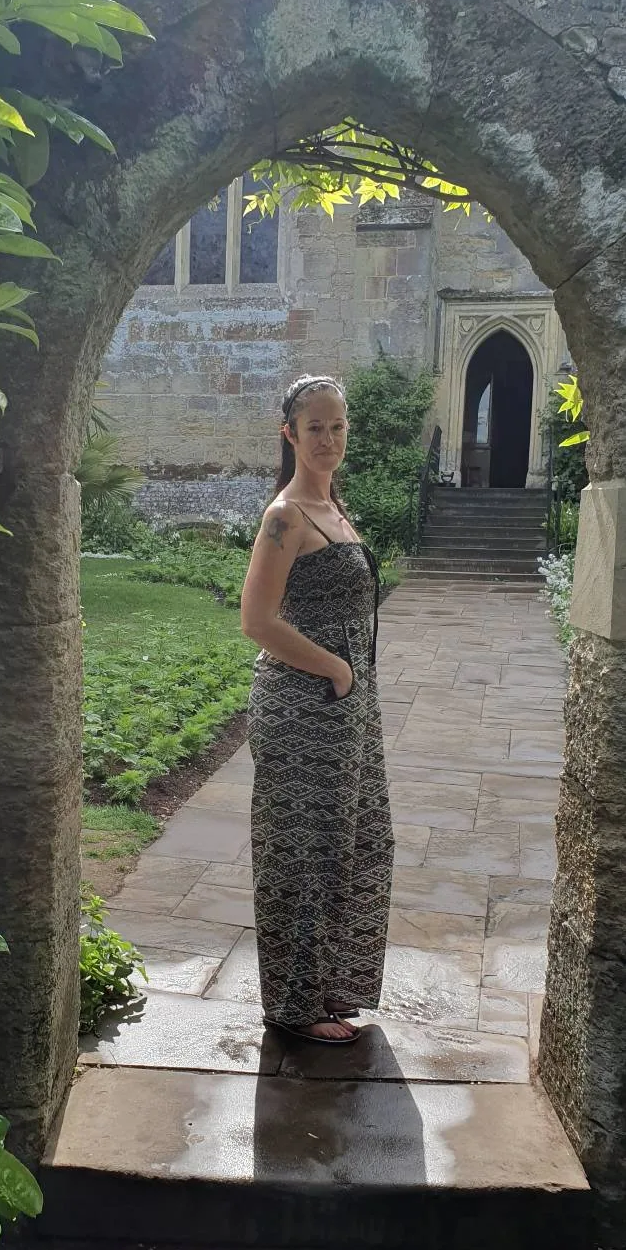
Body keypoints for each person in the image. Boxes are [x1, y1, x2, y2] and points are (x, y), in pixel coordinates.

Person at [241, 374, 394, 1044]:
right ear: (290, 435)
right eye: (314, 428)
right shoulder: (285, 517)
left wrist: (351, 682)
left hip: (347, 711)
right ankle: (295, 1007)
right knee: (303, 855)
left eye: (337, 427)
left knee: (359, 843)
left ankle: (332, 988)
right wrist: (335, 668)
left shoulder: (333, 507)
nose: (328, 439)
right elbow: (256, 620)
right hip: (302, 706)